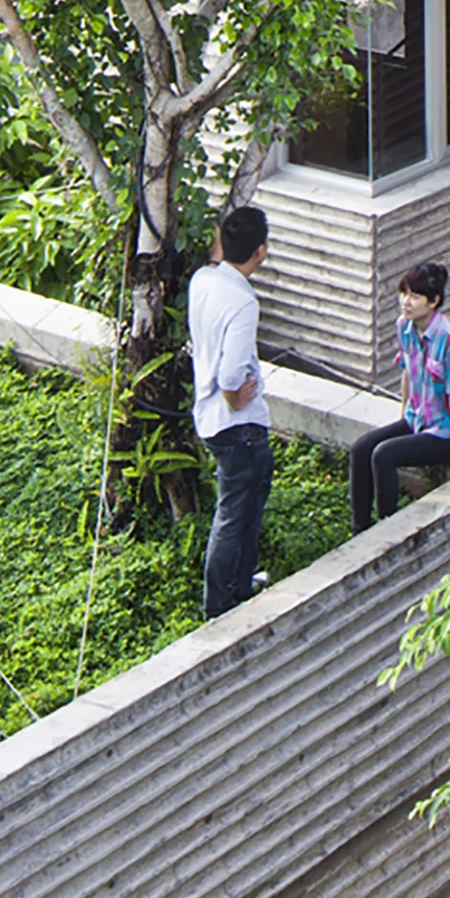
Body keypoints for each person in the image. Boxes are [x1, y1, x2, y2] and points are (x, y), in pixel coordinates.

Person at [349, 261, 450, 531]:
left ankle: (385, 529)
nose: (406, 302)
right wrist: (403, 418)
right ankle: (359, 530)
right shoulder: (405, 326)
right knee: (361, 449)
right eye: (404, 294)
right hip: (418, 419)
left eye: (414, 296)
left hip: (447, 432)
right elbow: (407, 373)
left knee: (384, 455)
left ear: (433, 302)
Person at [189, 203, 273, 617]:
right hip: (237, 425)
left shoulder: (203, 280)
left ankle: (240, 586)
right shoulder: (244, 303)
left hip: (209, 418)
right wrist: (235, 398)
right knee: (236, 512)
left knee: (246, 505)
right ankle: (219, 604)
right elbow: (230, 375)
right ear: (261, 251)